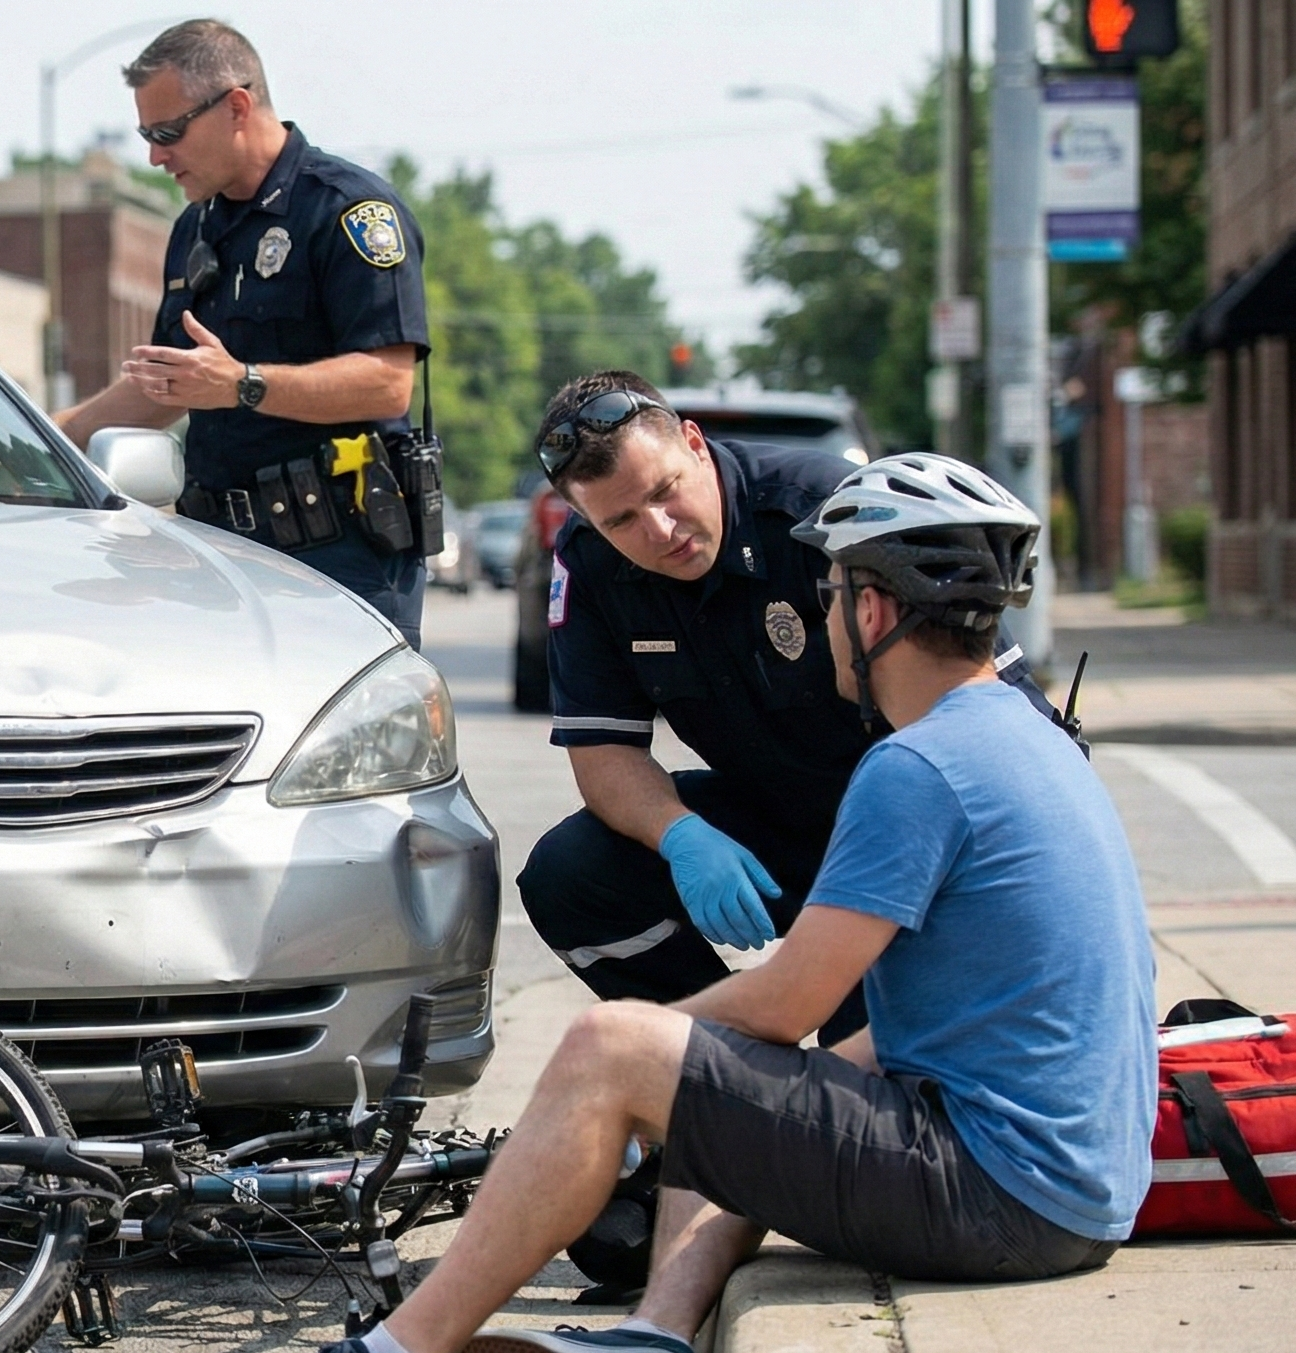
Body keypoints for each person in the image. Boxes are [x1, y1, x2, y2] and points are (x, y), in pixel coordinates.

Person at [336, 455, 1155, 1353]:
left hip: (994, 1197)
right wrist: (700, 1083)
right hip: (1077, 1197)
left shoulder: (915, 768)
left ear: (871, 612)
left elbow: (782, 1005)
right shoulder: (1020, 738)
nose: (827, 614)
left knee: (615, 1045)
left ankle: (399, 1345)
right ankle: (660, 1329)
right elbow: (883, 1033)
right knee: (726, 1074)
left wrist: (617, 1075)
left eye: (832, 591)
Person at [515, 372, 1058, 1039]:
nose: (658, 530)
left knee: (866, 1073)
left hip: (906, 827)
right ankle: (726, 1068)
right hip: (773, 821)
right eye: (621, 519)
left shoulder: (831, 512)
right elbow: (603, 752)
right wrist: (681, 836)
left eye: (665, 491)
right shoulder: (590, 562)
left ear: (693, 443)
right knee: (570, 873)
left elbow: (990, 709)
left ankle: (772, 1074)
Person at [55, 20, 433, 647]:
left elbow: (387, 383)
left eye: (168, 132)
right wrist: (54, 436)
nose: (155, 155)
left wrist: (243, 385)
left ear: (236, 105)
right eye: (147, 136)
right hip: (218, 556)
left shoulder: (347, 211)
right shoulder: (192, 228)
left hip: (342, 562)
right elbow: (167, 387)